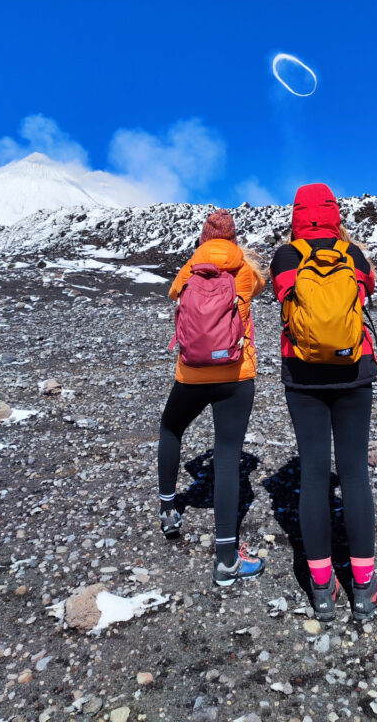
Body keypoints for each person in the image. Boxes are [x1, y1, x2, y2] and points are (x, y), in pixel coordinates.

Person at [270, 183, 377, 622]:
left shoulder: (285, 257)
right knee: (354, 474)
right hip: (353, 372)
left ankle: (322, 590)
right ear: (335, 214)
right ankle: (365, 587)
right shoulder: (354, 256)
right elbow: (366, 294)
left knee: (314, 474)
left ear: (297, 217)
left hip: (302, 378)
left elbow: (284, 300)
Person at [158, 208, 267, 587]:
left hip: (191, 373)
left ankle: (169, 510)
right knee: (227, 456)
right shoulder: (245, 272)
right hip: (236, 375)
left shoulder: (190, 268)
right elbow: (262, 286)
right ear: (234, 239)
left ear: (203, 239)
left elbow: (173, 293)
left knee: (171, 429)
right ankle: (226, 560)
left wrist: (197, 259)